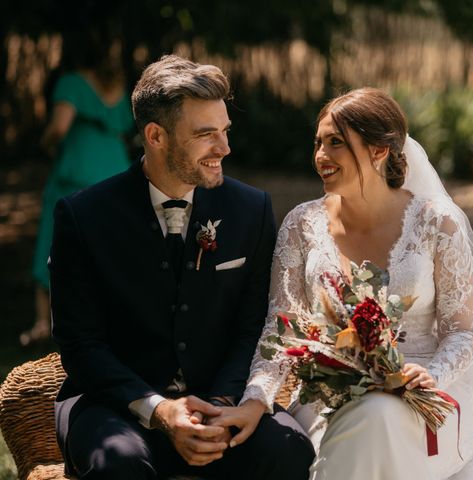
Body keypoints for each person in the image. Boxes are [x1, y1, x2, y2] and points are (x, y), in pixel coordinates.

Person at [218, 88, 473, 479]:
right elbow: (281, 330)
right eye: (318, 142)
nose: (320, 156)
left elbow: (463, 332)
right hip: (329, 397)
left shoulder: (436, 223)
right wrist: (256, 400)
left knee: (377, 416)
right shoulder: (301, 225)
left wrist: (431, 375)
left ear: (379, 150)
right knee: (366, 417)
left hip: (431, 395)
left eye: (335, 143)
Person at [49, 54, 314, 480]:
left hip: (217, 402)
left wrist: (225, 405)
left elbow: (253, 326)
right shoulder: (83, 217)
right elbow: (80, 344)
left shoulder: (251, 209)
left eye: (225, 131)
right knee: (120, 465)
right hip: (114, 405)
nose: (224, 148)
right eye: (206, 134)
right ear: (156, 135)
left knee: (289, 451)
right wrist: (159, 410)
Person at [23, 26, 134, 346]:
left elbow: (59, 126)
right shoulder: (117, 87)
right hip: (115, 168)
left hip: (77, 169)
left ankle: (44, 322)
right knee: (108, 245)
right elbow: (126, 128)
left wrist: (45, 144)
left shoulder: (71, 82)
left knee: (54, 240)